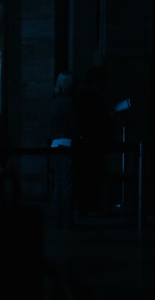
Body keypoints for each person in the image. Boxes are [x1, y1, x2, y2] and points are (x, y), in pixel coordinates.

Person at [74, 65, 114, 215]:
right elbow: (91, 119)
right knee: (90, 174)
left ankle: (88, 203)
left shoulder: (88, 96)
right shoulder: (89, 97)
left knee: (91, 174)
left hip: (92, 141)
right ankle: (87, 204)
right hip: (91, 142)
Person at [49, 72, 77, 230]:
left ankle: (57, 219)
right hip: (66, 142)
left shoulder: (54, 102)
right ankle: (68, 220)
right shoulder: (69, 102)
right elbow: (73, 125)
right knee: (67, 184)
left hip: (54, 142)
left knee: (58, 184)